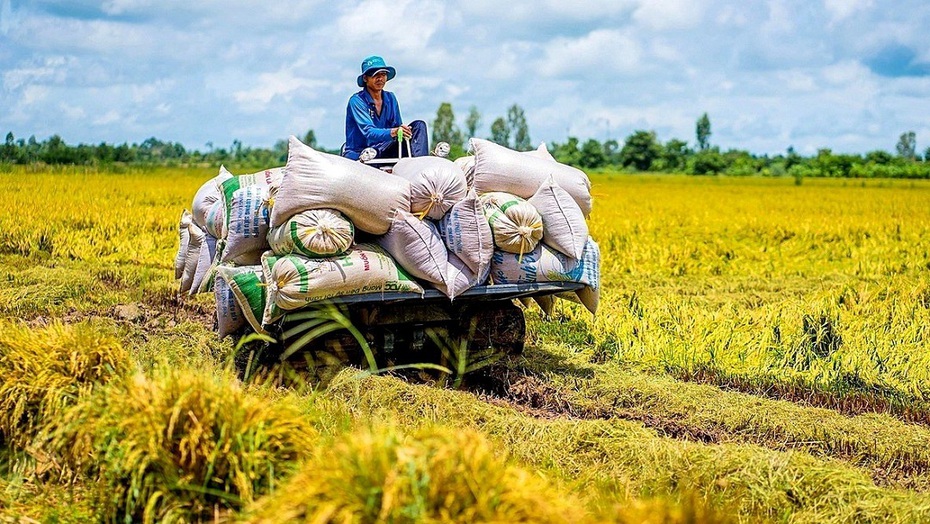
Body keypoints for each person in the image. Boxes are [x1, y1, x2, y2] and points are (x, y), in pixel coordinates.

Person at [343, 55, 429, 161]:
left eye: (383, 74)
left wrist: (403, 130)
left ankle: (419, 164)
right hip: (363, 152)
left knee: (419, 125)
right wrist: (394, 132)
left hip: (385, 148)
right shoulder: (357, 101)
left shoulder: (390, 98)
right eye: (375, 75)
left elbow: (398, 127)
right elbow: (369, 132)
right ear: (365, 78)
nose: (380, 79)